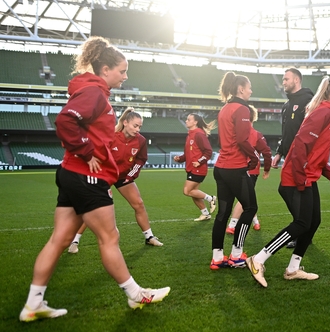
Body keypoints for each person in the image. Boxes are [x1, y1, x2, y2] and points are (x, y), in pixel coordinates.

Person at [20, 37, 169, 322]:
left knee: (60, 239)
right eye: (122, 71)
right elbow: (65, 121)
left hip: (71, 173)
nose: (126, 77)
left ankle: (33, 303)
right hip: (87, 176)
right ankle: (137, 294)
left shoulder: (93, 90)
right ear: (104, 69)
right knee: (109, 237)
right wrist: (87, 151)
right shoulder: (95, 93)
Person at [245, 77, 330, 286]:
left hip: (306, 175)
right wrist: (301, 179)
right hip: (298, 177)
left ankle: (293, 268)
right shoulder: (324, 113)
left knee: (313, 221)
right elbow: (300, 146)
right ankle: (258, 259)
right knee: (301, 223)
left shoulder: (327, 114)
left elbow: (316, 152)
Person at [68, 108, 162, 254]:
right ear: (125, 123)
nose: (137, 129)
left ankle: (149, 237)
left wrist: (131, 174)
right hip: (104, 176)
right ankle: (75, 240)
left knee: (139, 204)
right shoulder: (110, 136)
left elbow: (141, 159)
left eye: (140, 127)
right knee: (93, 208)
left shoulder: (141, 141)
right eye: (135, 126)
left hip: (124, 176)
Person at [209, 72, 260, 270]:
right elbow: (242, 140)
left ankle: (217, 257)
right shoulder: (242, 109)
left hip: (220, 167)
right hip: (235, 168)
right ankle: (237, 255)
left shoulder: (225, 109)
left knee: (223, 213)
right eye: (249, 87)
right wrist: (254, 157)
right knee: (251, 208)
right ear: (240, 89)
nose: (251, 91)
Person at [271, 68, 314, 249]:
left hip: (303, 157)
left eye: (286, 79)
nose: (283, 82)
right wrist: (279, 153)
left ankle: (301, 230)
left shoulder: (308, 100)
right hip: (289, 156)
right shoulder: (286, 105)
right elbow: (285, 133)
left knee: (293, 191)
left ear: (296, 80)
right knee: (289, 191)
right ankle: (303, 229)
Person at [226, 105, 271, 234]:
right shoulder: (256, 135)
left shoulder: (234, 133)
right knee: (246, 198)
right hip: (250, 171)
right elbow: (267, 152)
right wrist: (266, 169)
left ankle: (245, 223)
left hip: (234, 169)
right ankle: (241, 224)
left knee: (246, 198)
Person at [174, 113, 216, 221]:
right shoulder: (190, 135)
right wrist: (180, 158)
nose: (186, 121)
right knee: (194, 194)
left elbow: (208, 152)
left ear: (195, 122)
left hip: (198, 168)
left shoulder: (199, 134)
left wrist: (200, 162)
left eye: (188, 119)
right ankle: (205, 214)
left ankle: (211, 198)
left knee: (187, 191)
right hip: (191, 168)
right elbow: (188, 154)